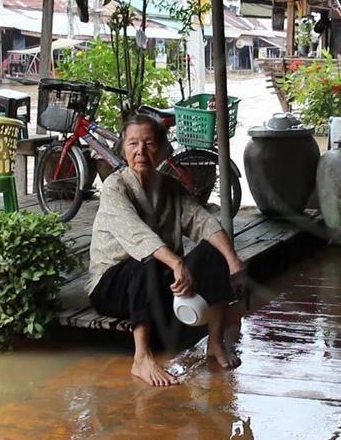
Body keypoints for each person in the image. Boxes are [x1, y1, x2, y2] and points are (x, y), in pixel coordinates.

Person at [87, 114, 244, 387]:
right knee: (144, 260)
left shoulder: (169, 186)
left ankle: (215, 343)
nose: (141, 151)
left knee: (213, 251)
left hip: (158, 282)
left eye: (149, 143)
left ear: (160, 149)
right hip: (111, 285)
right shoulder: (115, 187)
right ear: (123, 148)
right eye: (133, 143)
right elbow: (137, 236)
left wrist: (233, 262)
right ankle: (142, 358)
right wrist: (177, 264)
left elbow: (202, 221)